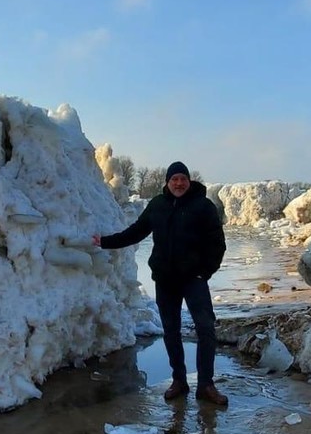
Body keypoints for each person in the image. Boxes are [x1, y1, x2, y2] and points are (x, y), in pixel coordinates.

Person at [94, 161, 228, 406]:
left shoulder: (203, 206)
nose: (178, 183)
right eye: (174, 179)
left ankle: (206, 384)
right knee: (171, 330)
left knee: (205, 328)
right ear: (167, 182)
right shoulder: (157, 205)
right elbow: (135, 232)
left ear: (189, 181)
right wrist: (104, 242)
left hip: (193, 280)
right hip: (166, 280)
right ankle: (179, 380)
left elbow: (217, 243)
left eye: (182, 179)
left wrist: (204, 273)